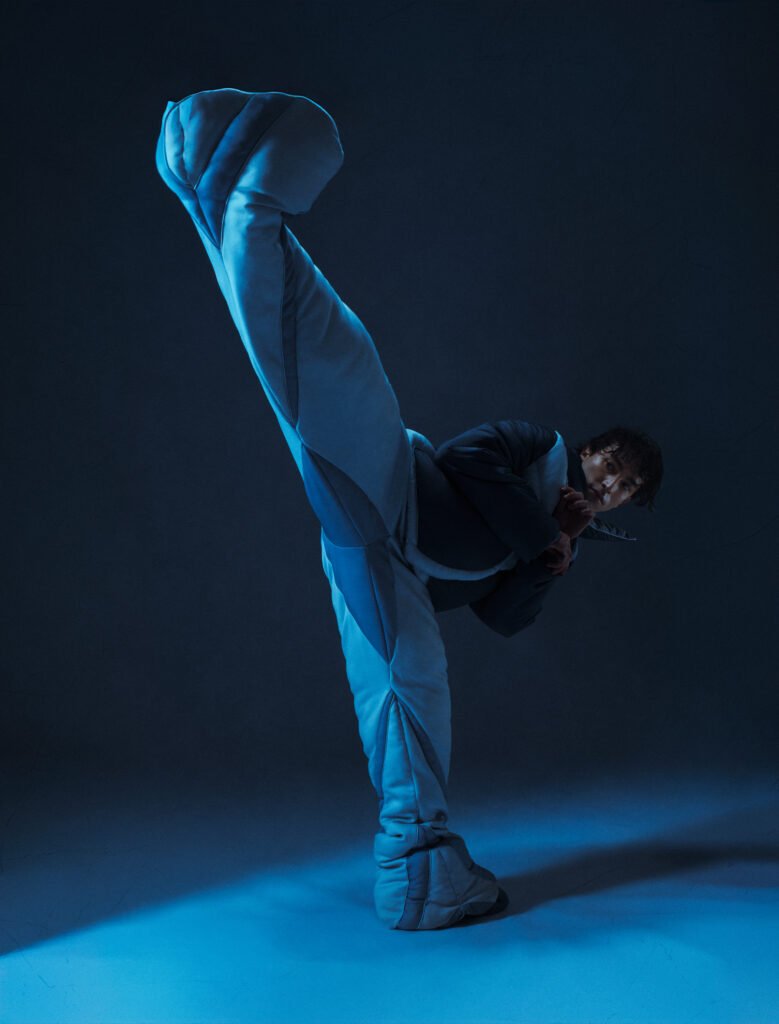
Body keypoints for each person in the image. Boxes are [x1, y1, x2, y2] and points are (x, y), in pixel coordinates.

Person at [155, 87, 663, 932]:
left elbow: (501, 616)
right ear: (590, 449)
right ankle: (229, 189)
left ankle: (421, 872)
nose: (609, 486)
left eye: (624, 491)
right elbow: (466, 460)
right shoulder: (536, 446)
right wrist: (543, 532)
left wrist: (555, 552)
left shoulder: (562, 529)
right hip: (394, 489)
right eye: (611, 467)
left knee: (410, 695)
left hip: (391, 569)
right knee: (330, 365)